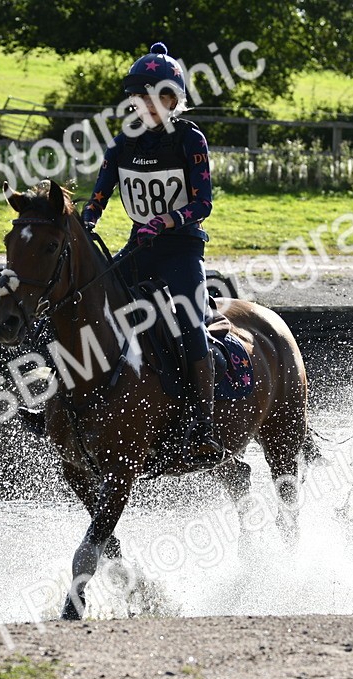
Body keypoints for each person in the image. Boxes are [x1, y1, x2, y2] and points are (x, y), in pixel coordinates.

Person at [81, 42, 225, 468]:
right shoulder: (123, 142)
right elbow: (100, 195)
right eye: (137, 96)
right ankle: (66, 400)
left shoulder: (189, 139)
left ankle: (204, 422)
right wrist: (84, 225)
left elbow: (203, 204)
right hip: (139, 247)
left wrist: (166, 222)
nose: (142, 103)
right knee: (90, 305)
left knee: (190, 320)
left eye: (151, 95)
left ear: (171, 99)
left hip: (180, 249)